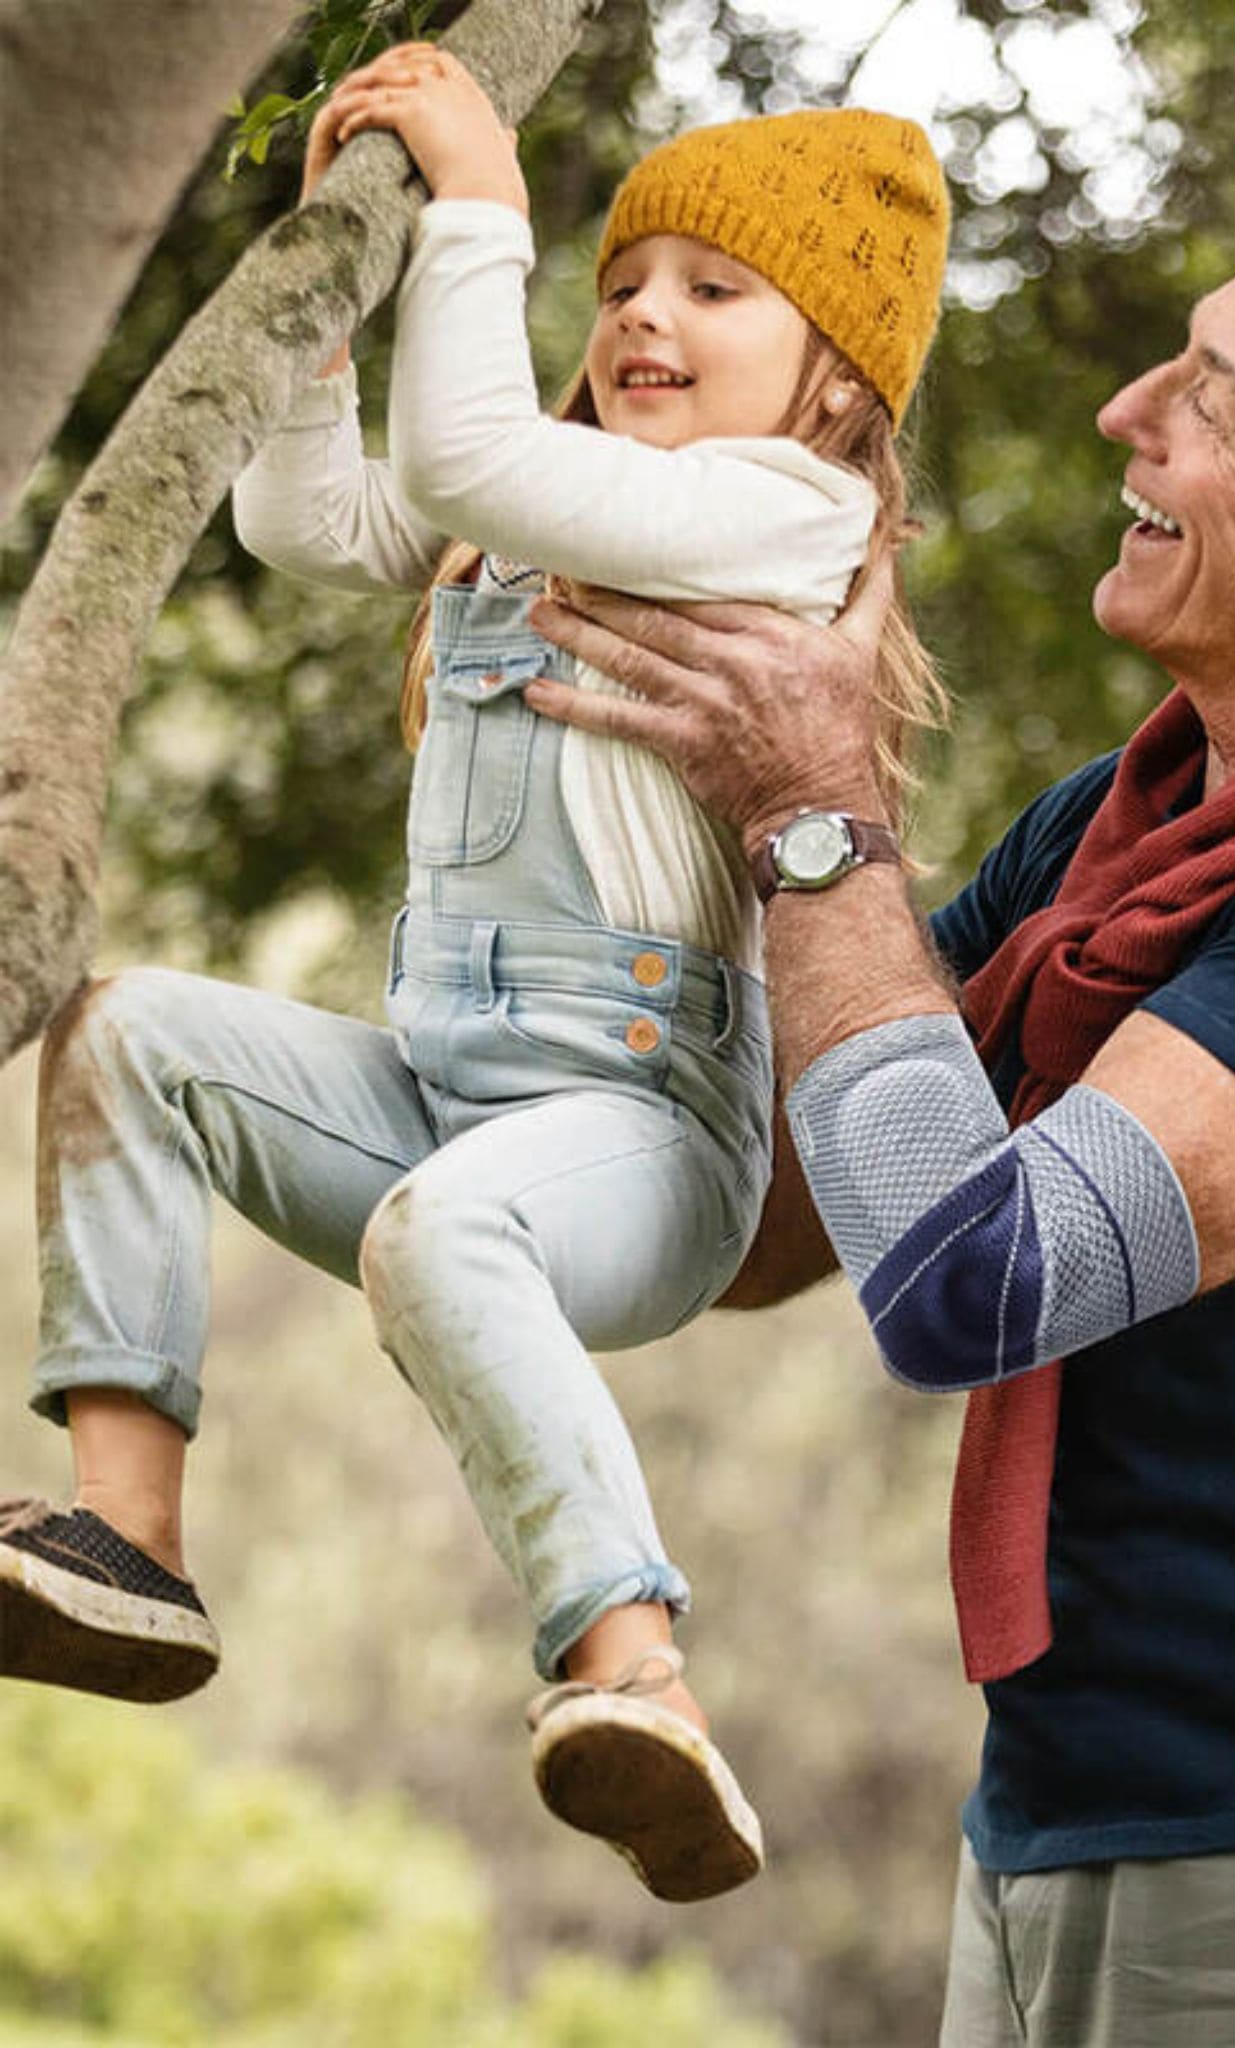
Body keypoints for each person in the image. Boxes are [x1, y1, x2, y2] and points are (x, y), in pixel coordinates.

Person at [525, 191, 1235, 2041]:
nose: (1123, 411)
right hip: (1075, 1795)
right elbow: (782, 1219)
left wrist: (812, 817)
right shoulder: (1126, 817)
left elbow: (971, 1279)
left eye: (1213, 397)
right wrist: (472, 1106)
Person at [0, 44, 948, 1905]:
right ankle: (128, 1532)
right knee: (132, 1037)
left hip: (641, 1137)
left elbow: (464, 456)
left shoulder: (785, 513)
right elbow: (303, 521)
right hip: (444, 1094)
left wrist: (479, 203)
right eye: (624, 282)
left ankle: (637, 1674)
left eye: (713, 290)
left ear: (837, 379)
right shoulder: (532, 509)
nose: (644, 314)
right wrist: (323, 306)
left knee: (441, 1234)